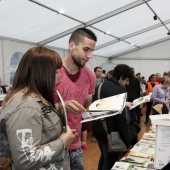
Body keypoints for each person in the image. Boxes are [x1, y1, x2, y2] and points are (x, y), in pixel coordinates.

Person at [0, 47, 77, 170]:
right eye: (56, 71)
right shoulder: (26, 106)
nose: (59, 76)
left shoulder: (33, 98)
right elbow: (26, 160)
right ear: (43, 73)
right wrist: (63, 142)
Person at [54, 28, 97, 170]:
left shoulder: (90, 76)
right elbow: (36, 109)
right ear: (71, 45)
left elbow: (87, 106)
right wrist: (61, 105)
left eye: (91, 51)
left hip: (75, 144)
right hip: (52, 144)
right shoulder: (53, 72)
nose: (89, 56)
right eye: (86, 50)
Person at [92, 64, 134, 170]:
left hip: (98, 129)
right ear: (121, 77)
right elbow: (121, 121)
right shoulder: (118, 91)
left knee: (103, 157)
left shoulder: (101, 86)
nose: (127, 83)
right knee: (110, 162)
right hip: (110, 133)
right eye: (126, 80)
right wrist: (128, 141)